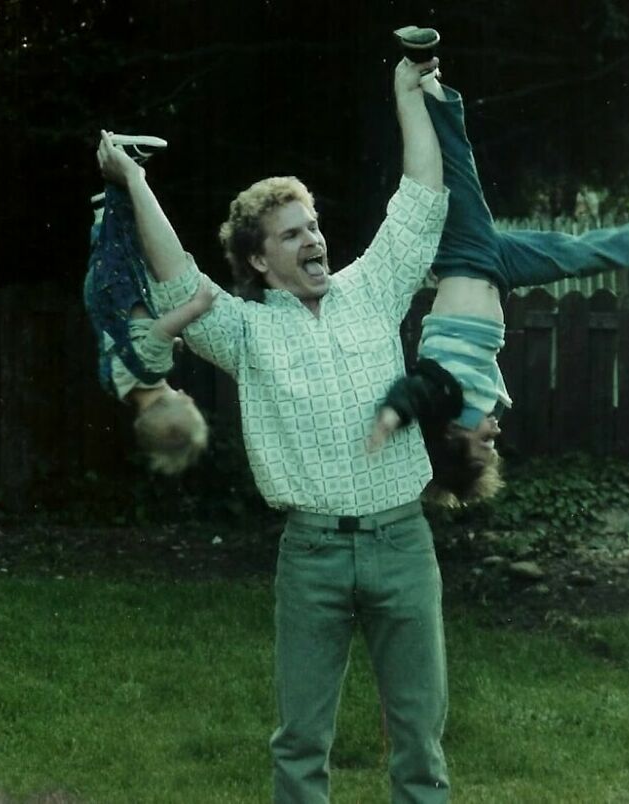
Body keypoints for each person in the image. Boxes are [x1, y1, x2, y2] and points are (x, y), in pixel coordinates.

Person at [96, 55, 452, 802]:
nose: (313, 240)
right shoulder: (245, 333)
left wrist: (407, 94)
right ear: (260, 259)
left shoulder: (373, 289)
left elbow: (419, 200)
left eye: (313, 226)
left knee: (419, 743)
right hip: (313, 556)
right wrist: (134, 181)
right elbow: (179, 280)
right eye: (291, 235)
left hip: (403, 545)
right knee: (299, 745)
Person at [371, 28, 629, 507]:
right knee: (570, 256)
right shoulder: (472, 404)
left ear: (454, 438)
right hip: (500, 273)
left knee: (457, 166)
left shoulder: (444, 399)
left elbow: (413, 390)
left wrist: (391, 417)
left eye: (486, 442)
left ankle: (422, 77)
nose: (495, 431)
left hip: (468, 257)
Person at [85, 137, 215, 475]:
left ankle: (121, 164)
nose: (187, 394)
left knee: (127, 242)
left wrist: (198, 305)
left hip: (121, 290)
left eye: (186, 402)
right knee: (107, 246)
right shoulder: (118, 387)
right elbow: (134, 345)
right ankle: (102, 208)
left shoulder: (154, 367)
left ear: (169, 403)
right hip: (101, 296)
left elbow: (161, 328)